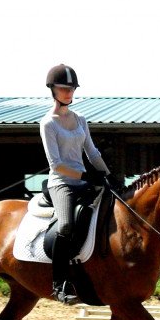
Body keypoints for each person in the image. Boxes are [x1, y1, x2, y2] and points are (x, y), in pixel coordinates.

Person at [40, 64, 112, 305]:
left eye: (71, 89)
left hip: (83, 181)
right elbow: (56, 164)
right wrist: (85, 177)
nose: (69, 93)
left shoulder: (80, 119)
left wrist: (107, 175)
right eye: (64, 88)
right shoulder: (48, 123)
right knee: (67, 225)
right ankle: (59, 283)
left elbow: (91, 152)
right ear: (53, 89)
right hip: (61, 184)